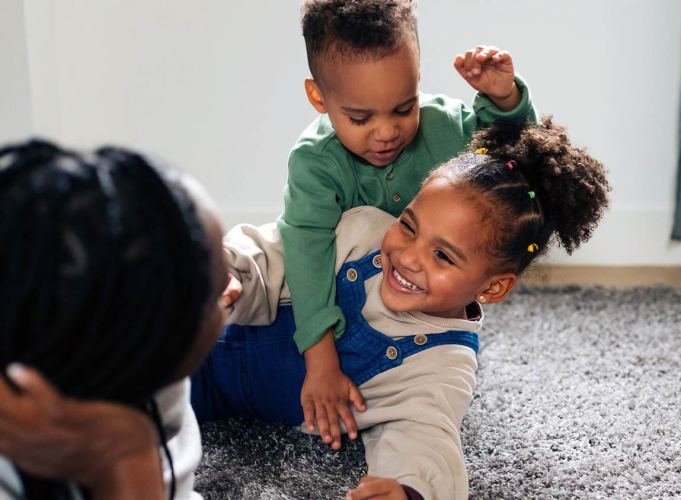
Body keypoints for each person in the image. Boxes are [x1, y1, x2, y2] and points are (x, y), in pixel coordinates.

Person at [194, 118, 610, 499]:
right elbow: (277, 250)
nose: (408, 256)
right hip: (198, 321)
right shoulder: (362, 232)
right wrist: (229, 269)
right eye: (409, 225)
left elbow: (425, 435)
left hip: (211, 397)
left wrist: (407, 489)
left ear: (493, 287)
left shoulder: (444, 362)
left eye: (443, 256)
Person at [282, 0, 538, 450]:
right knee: (278, 255)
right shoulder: (315, 162)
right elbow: (305, 255)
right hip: (351, 296)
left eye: (404, 108)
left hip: (426, 306)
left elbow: (517, 165)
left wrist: (505, 100)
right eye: (360, 118)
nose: (386, 132)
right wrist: (321, 361)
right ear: (318, 98)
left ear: (418, 78)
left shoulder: (449, 127)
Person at [0, 140, 234, 499]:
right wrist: (122, 456)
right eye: (217, 291)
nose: (232, 280)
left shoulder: (156, 382)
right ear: (157, 338)